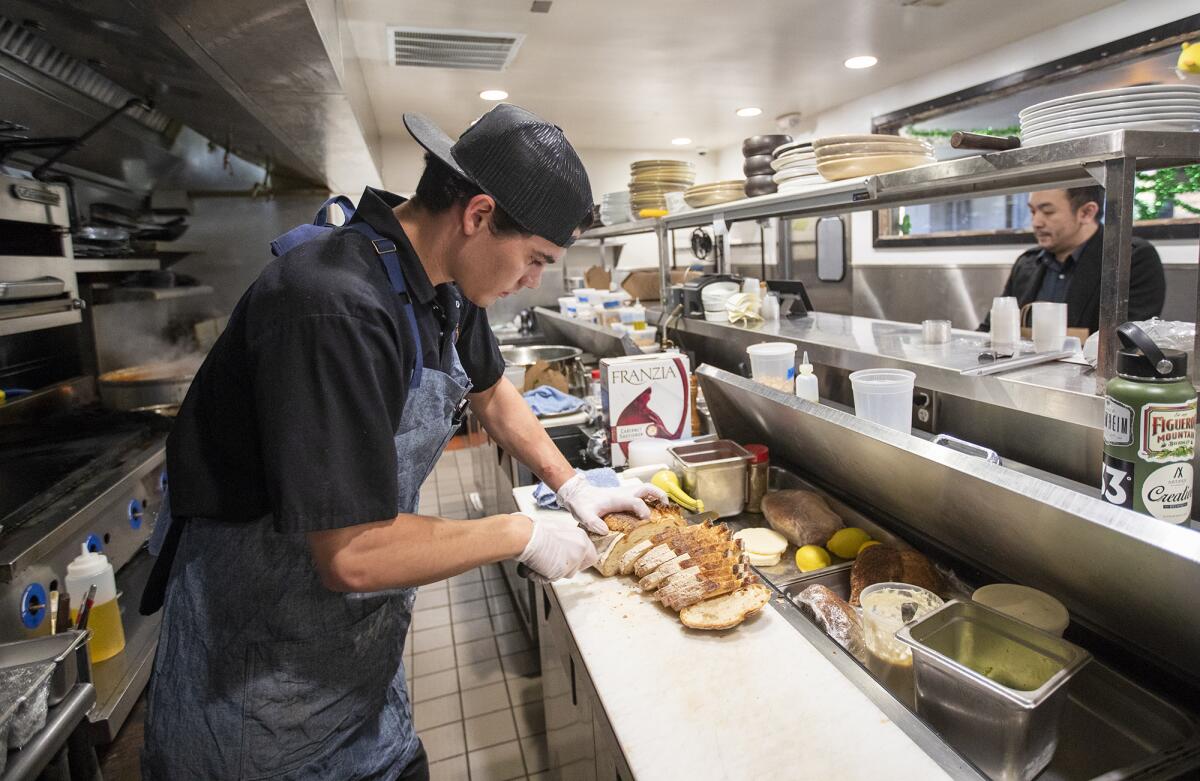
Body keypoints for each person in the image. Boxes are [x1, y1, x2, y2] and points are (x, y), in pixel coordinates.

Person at [139, 104, 665, 780]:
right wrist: (521, 534)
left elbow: (493, 393)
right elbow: (352, 553)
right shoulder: (332, 303)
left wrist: (573, 483)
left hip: (351, 663)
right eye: (534, 259)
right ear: (477, 215)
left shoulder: (445, 286)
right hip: (252, 682)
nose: (534, 280)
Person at [979, 186, 1165, 333]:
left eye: (1048, 212)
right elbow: (991, 330)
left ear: (1086, 213)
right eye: (1033, 212)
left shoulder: (1128, 259)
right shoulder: (1027, 263)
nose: (1036, 222)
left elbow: (1128, 341)